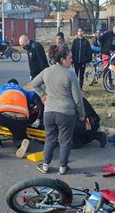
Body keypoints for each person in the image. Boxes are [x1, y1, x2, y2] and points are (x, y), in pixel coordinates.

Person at [31, 46, 85, 175]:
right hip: (66, 113)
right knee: (65, 140)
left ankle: (45, 166)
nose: (72, 60)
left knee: (50, 139)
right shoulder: (70, 73)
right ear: (62, 59)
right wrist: (82, 114)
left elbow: (34, 83)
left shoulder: (47, 71)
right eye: (70, 58)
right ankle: (62, 167)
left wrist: (44, 95)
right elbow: (78, 98)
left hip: (49, 112)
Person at [0, 78, 36, 158]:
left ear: (8, 83)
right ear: (17, 85)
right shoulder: (23, 91)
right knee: (17, 133)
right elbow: (31, 106)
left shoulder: (2, 88)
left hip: (5, 117)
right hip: (22, 119)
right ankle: (20, 143)